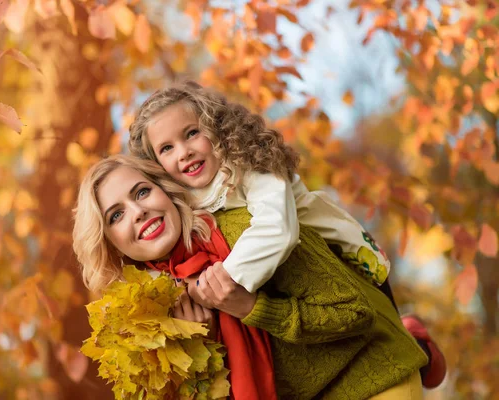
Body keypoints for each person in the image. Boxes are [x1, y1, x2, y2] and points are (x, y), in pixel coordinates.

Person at [128, 81, 446, 388]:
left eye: (192, 133)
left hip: (329, 250)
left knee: (377, 297)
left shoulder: (247, 163)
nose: (183, 152)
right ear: (155, 164)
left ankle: (413, 337)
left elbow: (276, 228)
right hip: (281, 283)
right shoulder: (180, 197)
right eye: (167, 148)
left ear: (217, 128)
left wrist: (222, 280)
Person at [72, 154, 428, 399]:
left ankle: (413, 339)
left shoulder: (247, 230)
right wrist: (202, 344)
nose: (138, 211)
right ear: (112, 245)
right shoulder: (150, 316)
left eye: (142, 192)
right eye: (116, 216)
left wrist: (251, 306)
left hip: (375, 374)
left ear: (166, 190)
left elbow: (356, 312)